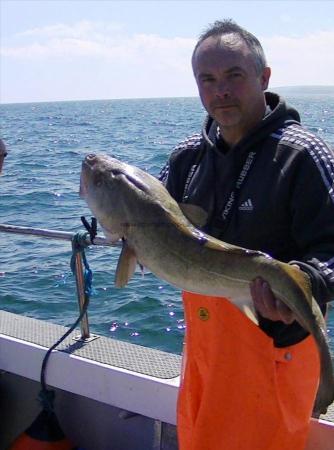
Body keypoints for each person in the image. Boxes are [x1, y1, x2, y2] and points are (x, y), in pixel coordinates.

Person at [159, 19, 334, 450]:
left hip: (276, 350)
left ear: (264, 77)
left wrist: (303, 283)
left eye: (234, 76)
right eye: (208, 79)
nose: (221, 90)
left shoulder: (303, 156)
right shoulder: (186, 158)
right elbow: (153, 226)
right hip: (203, 349)